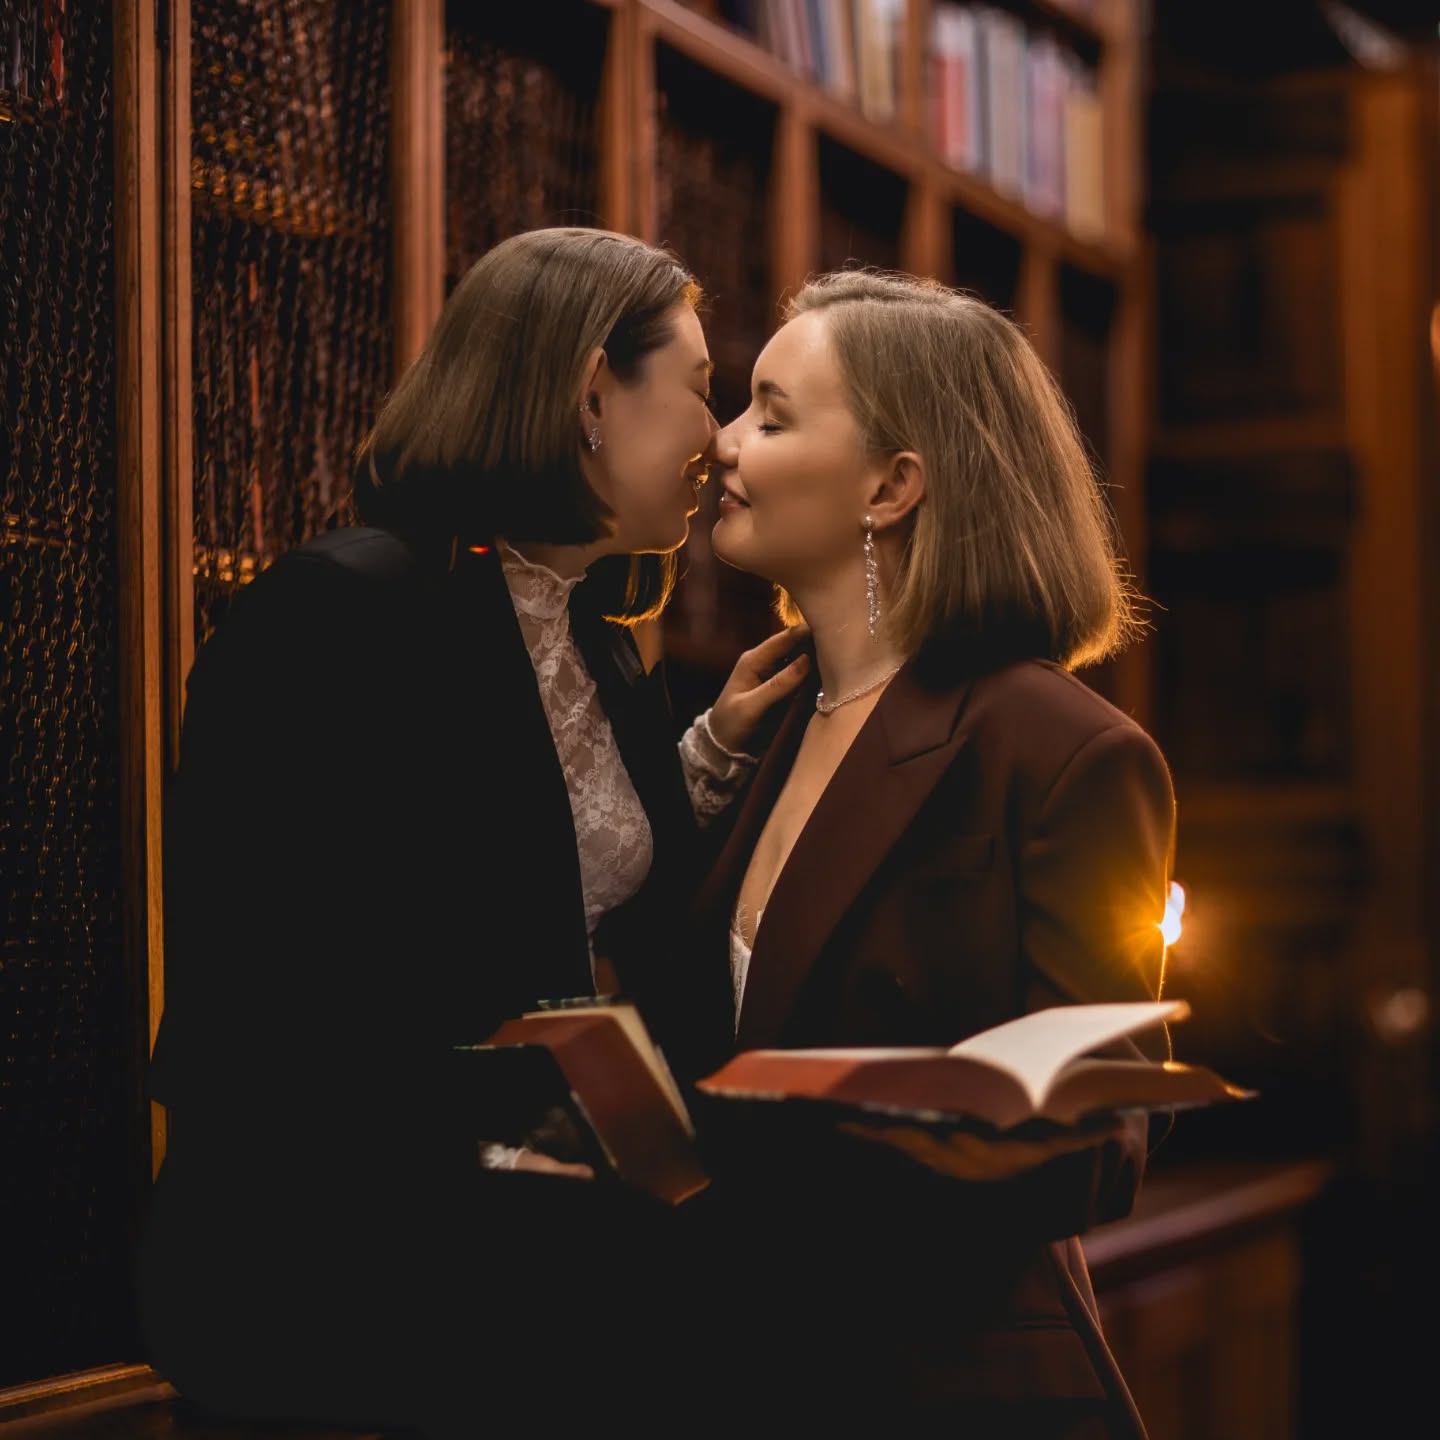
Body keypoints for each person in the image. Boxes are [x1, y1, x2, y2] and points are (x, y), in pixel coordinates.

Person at [134, 226, 808, 1436]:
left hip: (525, 1288)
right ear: (593, 392)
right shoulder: (344, 612)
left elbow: (564, 888)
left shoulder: (601, 639)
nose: (717, 440)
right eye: (702, 386)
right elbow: (291, 1001)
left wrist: (704, 759)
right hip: (339, 1303)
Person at [682, 269, 1178, 1436]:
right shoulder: (766, 726)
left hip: (940, 1390)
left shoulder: (1063, 750)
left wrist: (776, 1161)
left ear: (893, 486)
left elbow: (1094, 1136)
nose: (721, 440)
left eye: (770, 412)